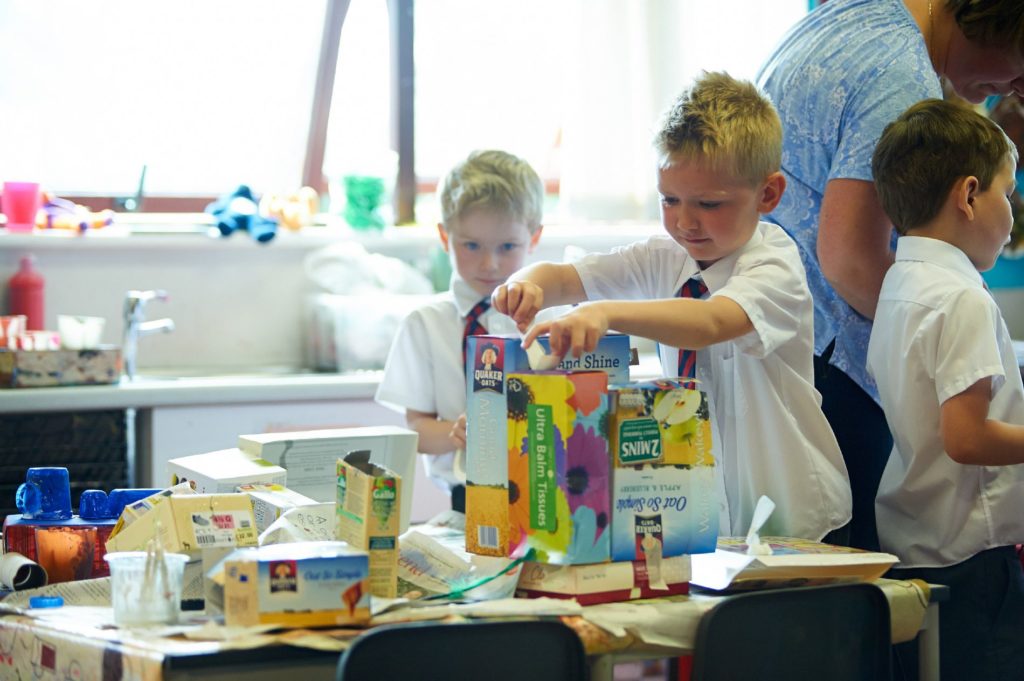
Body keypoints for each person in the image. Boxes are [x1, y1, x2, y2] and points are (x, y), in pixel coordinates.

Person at [492, 72, 851, 541]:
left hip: (795, 520)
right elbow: (564, 278)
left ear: (768, 194)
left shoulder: (775, 264)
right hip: (708, 519)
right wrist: (525, 284)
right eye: (669, 199)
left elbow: (710, 321)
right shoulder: (665, 257)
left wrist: (605, 313)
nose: (685, 221)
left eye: (709, 203)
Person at [756, 0, 1024, 550]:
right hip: (828, 366)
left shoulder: (858, 15)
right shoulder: (900, 72)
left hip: (781, 344)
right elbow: (850, 259)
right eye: (1021, 62)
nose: (1018, 86)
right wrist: (935, 350)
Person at [866, 98, 1024, 681]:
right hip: (971, 553)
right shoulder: (960, 297)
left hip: (918, 544)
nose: (1011, 211)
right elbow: (966, 436)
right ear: (969, 195)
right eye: (1007, 193)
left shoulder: (903, 280)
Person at [376, 150, 544, 513]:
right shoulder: (425, 324)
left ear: (534, 238)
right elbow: (416, 430)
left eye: (508, 247)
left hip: (549, 498)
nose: (490, 263)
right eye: (471, 245)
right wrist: (458, 431)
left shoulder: (555, 318)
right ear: (443, 237)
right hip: (464, 507)